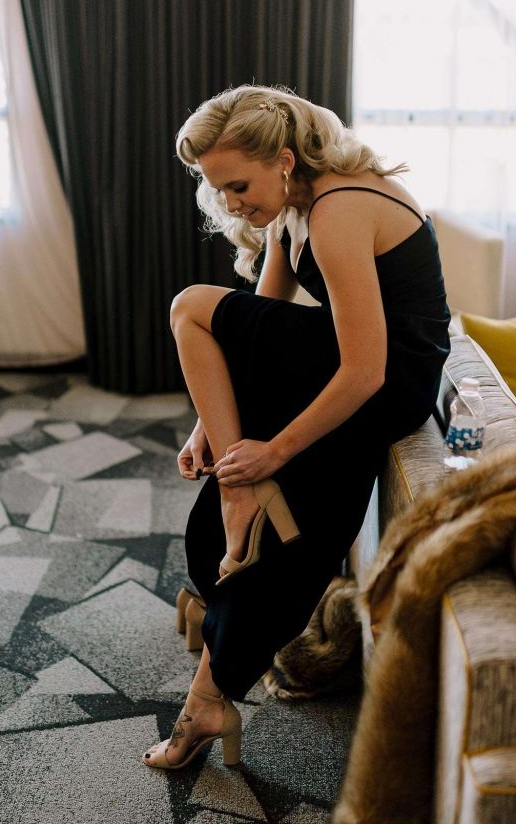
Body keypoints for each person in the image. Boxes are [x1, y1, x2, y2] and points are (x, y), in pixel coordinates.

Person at [142, 84, 451, 769]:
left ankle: (238, 493)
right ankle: (208, 699)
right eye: (217, 189)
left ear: (283, 160)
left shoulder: (339, 208)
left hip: (389, 375)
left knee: (189, 305)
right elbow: (254, 327)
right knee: (280, 530)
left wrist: (272, 450)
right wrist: (209, 426)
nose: (229, 204)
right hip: (362, 365)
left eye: (238, 185)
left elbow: (366, 370)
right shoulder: (295, 207)